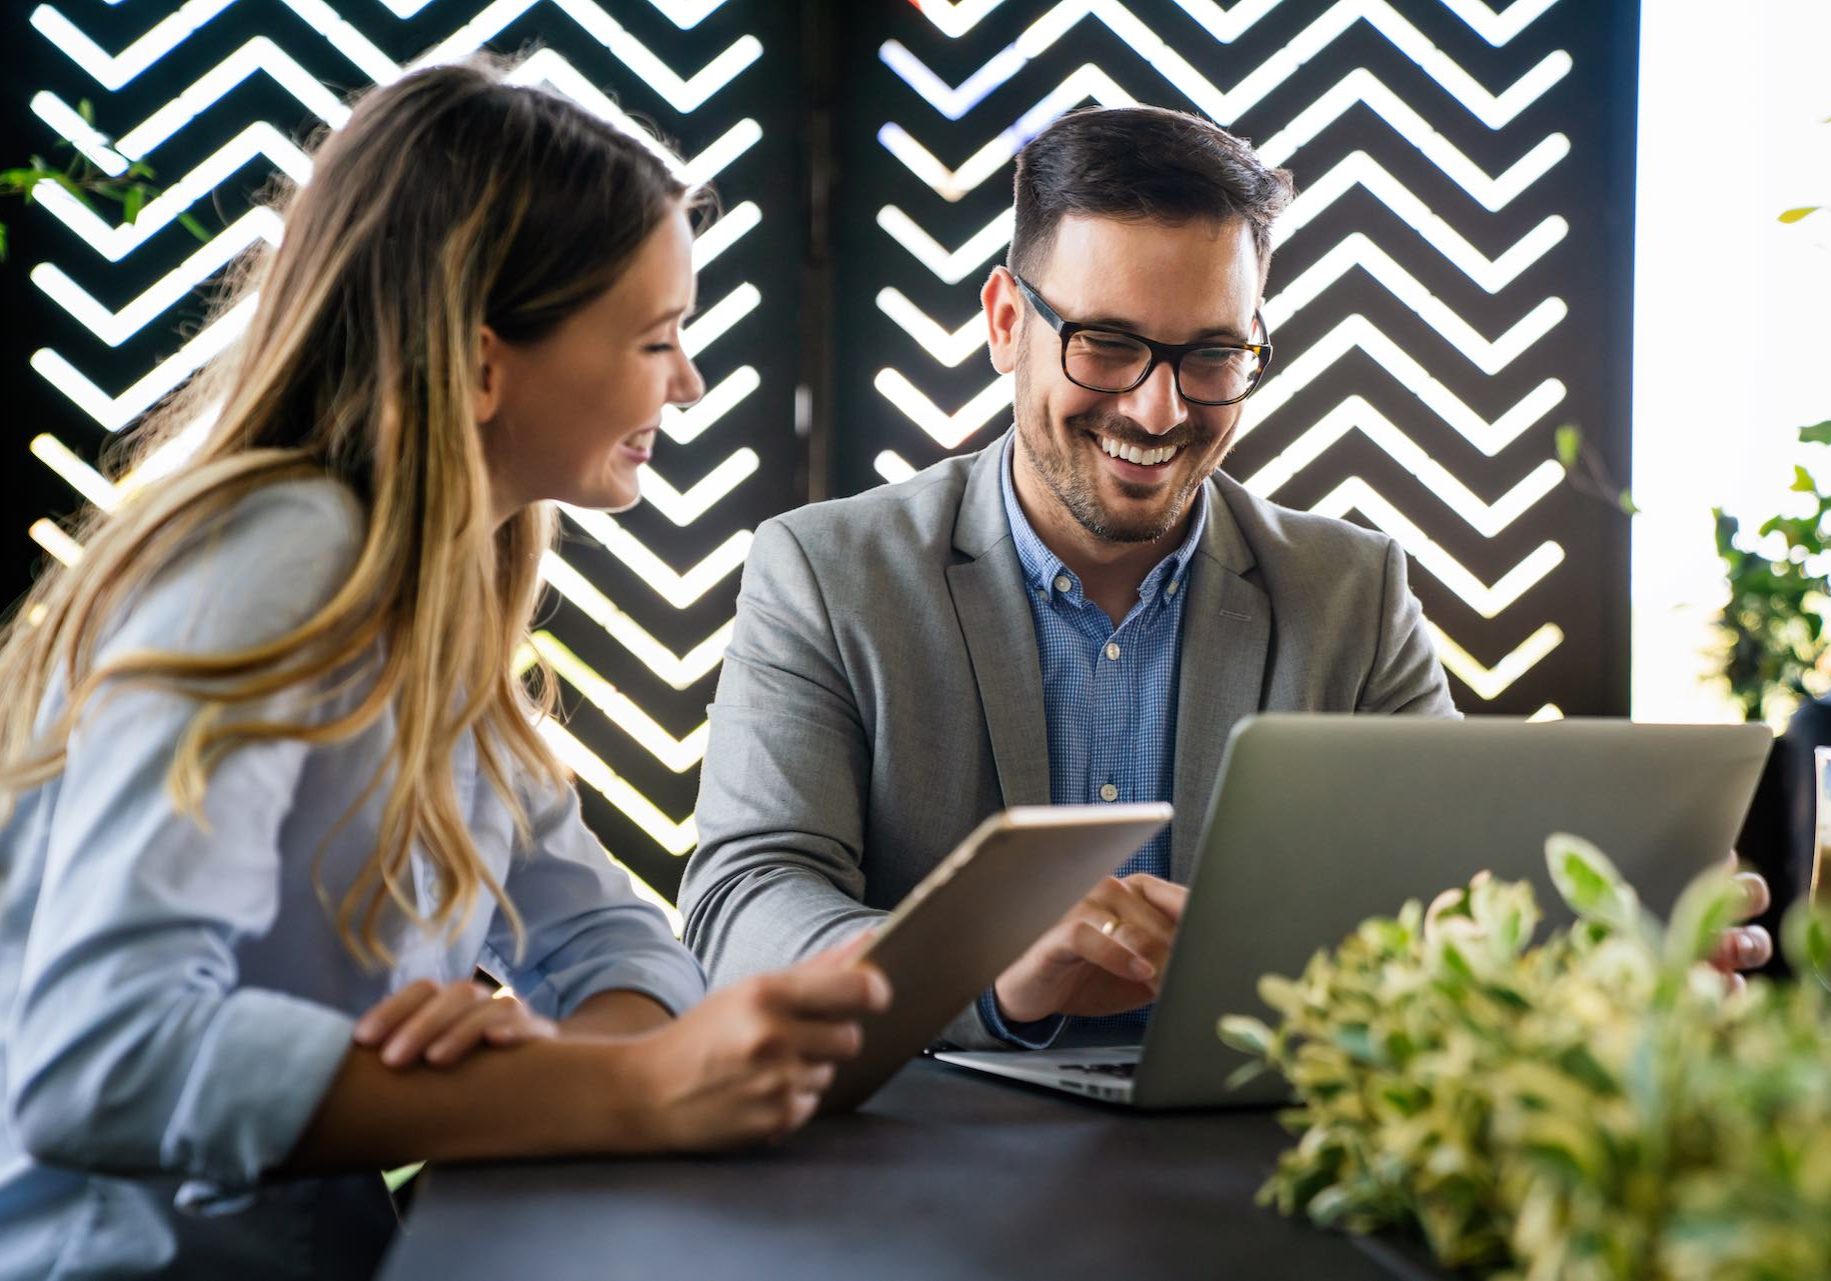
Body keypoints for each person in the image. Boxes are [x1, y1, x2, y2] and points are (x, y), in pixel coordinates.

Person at [0, 58, 887, 1281]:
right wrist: (620, 1092)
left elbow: (611, 938)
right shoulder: (280, 558)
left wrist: (594, 1061)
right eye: (655, 339)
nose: (682, 383)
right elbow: (100, 1056)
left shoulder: (430, 591)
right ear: (479, 361)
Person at [678, 104, 1770, 1048]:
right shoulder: (825, 570)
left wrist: (1608, 954)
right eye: (1106, 344)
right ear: (1008, 324)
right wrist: (986, 971)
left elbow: (1441, 902)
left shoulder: (1353, 591)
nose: (1158, 411)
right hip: (919, 1168)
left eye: (1211, 356)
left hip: (1256, 1161)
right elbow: (743, 908)